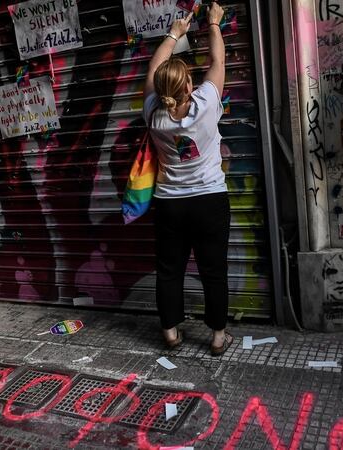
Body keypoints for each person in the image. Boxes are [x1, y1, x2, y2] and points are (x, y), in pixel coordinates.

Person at [142, 2, 232, 355]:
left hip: (170, 203)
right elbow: (218, 62)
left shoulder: (153, 113)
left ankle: (170, 332)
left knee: (169, 270)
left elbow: (153, 70)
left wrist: (174, 33)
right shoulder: (205, 103)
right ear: (189, 86)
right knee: (214, 269)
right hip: (210, 200)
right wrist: (213, 24)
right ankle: (218, 336)